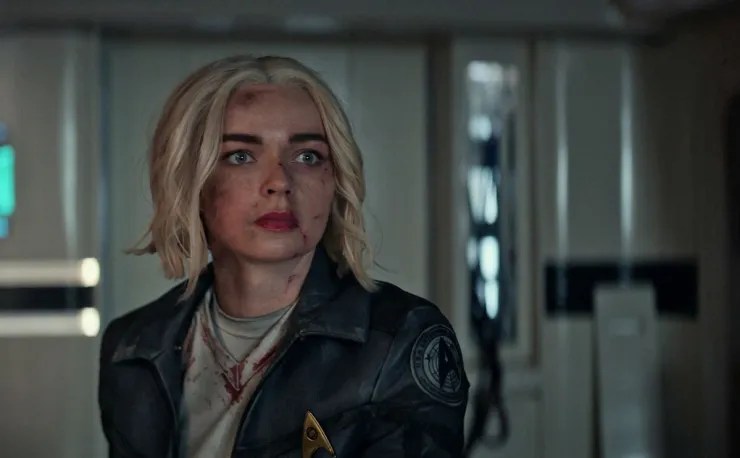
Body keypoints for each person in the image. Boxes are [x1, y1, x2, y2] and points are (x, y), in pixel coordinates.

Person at [97, 55, 469, 458]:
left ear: (335, 181)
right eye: (241, 156)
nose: (279, 181)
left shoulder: (400, 339)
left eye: (308, 156)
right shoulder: (132, 346)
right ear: (191, 181)